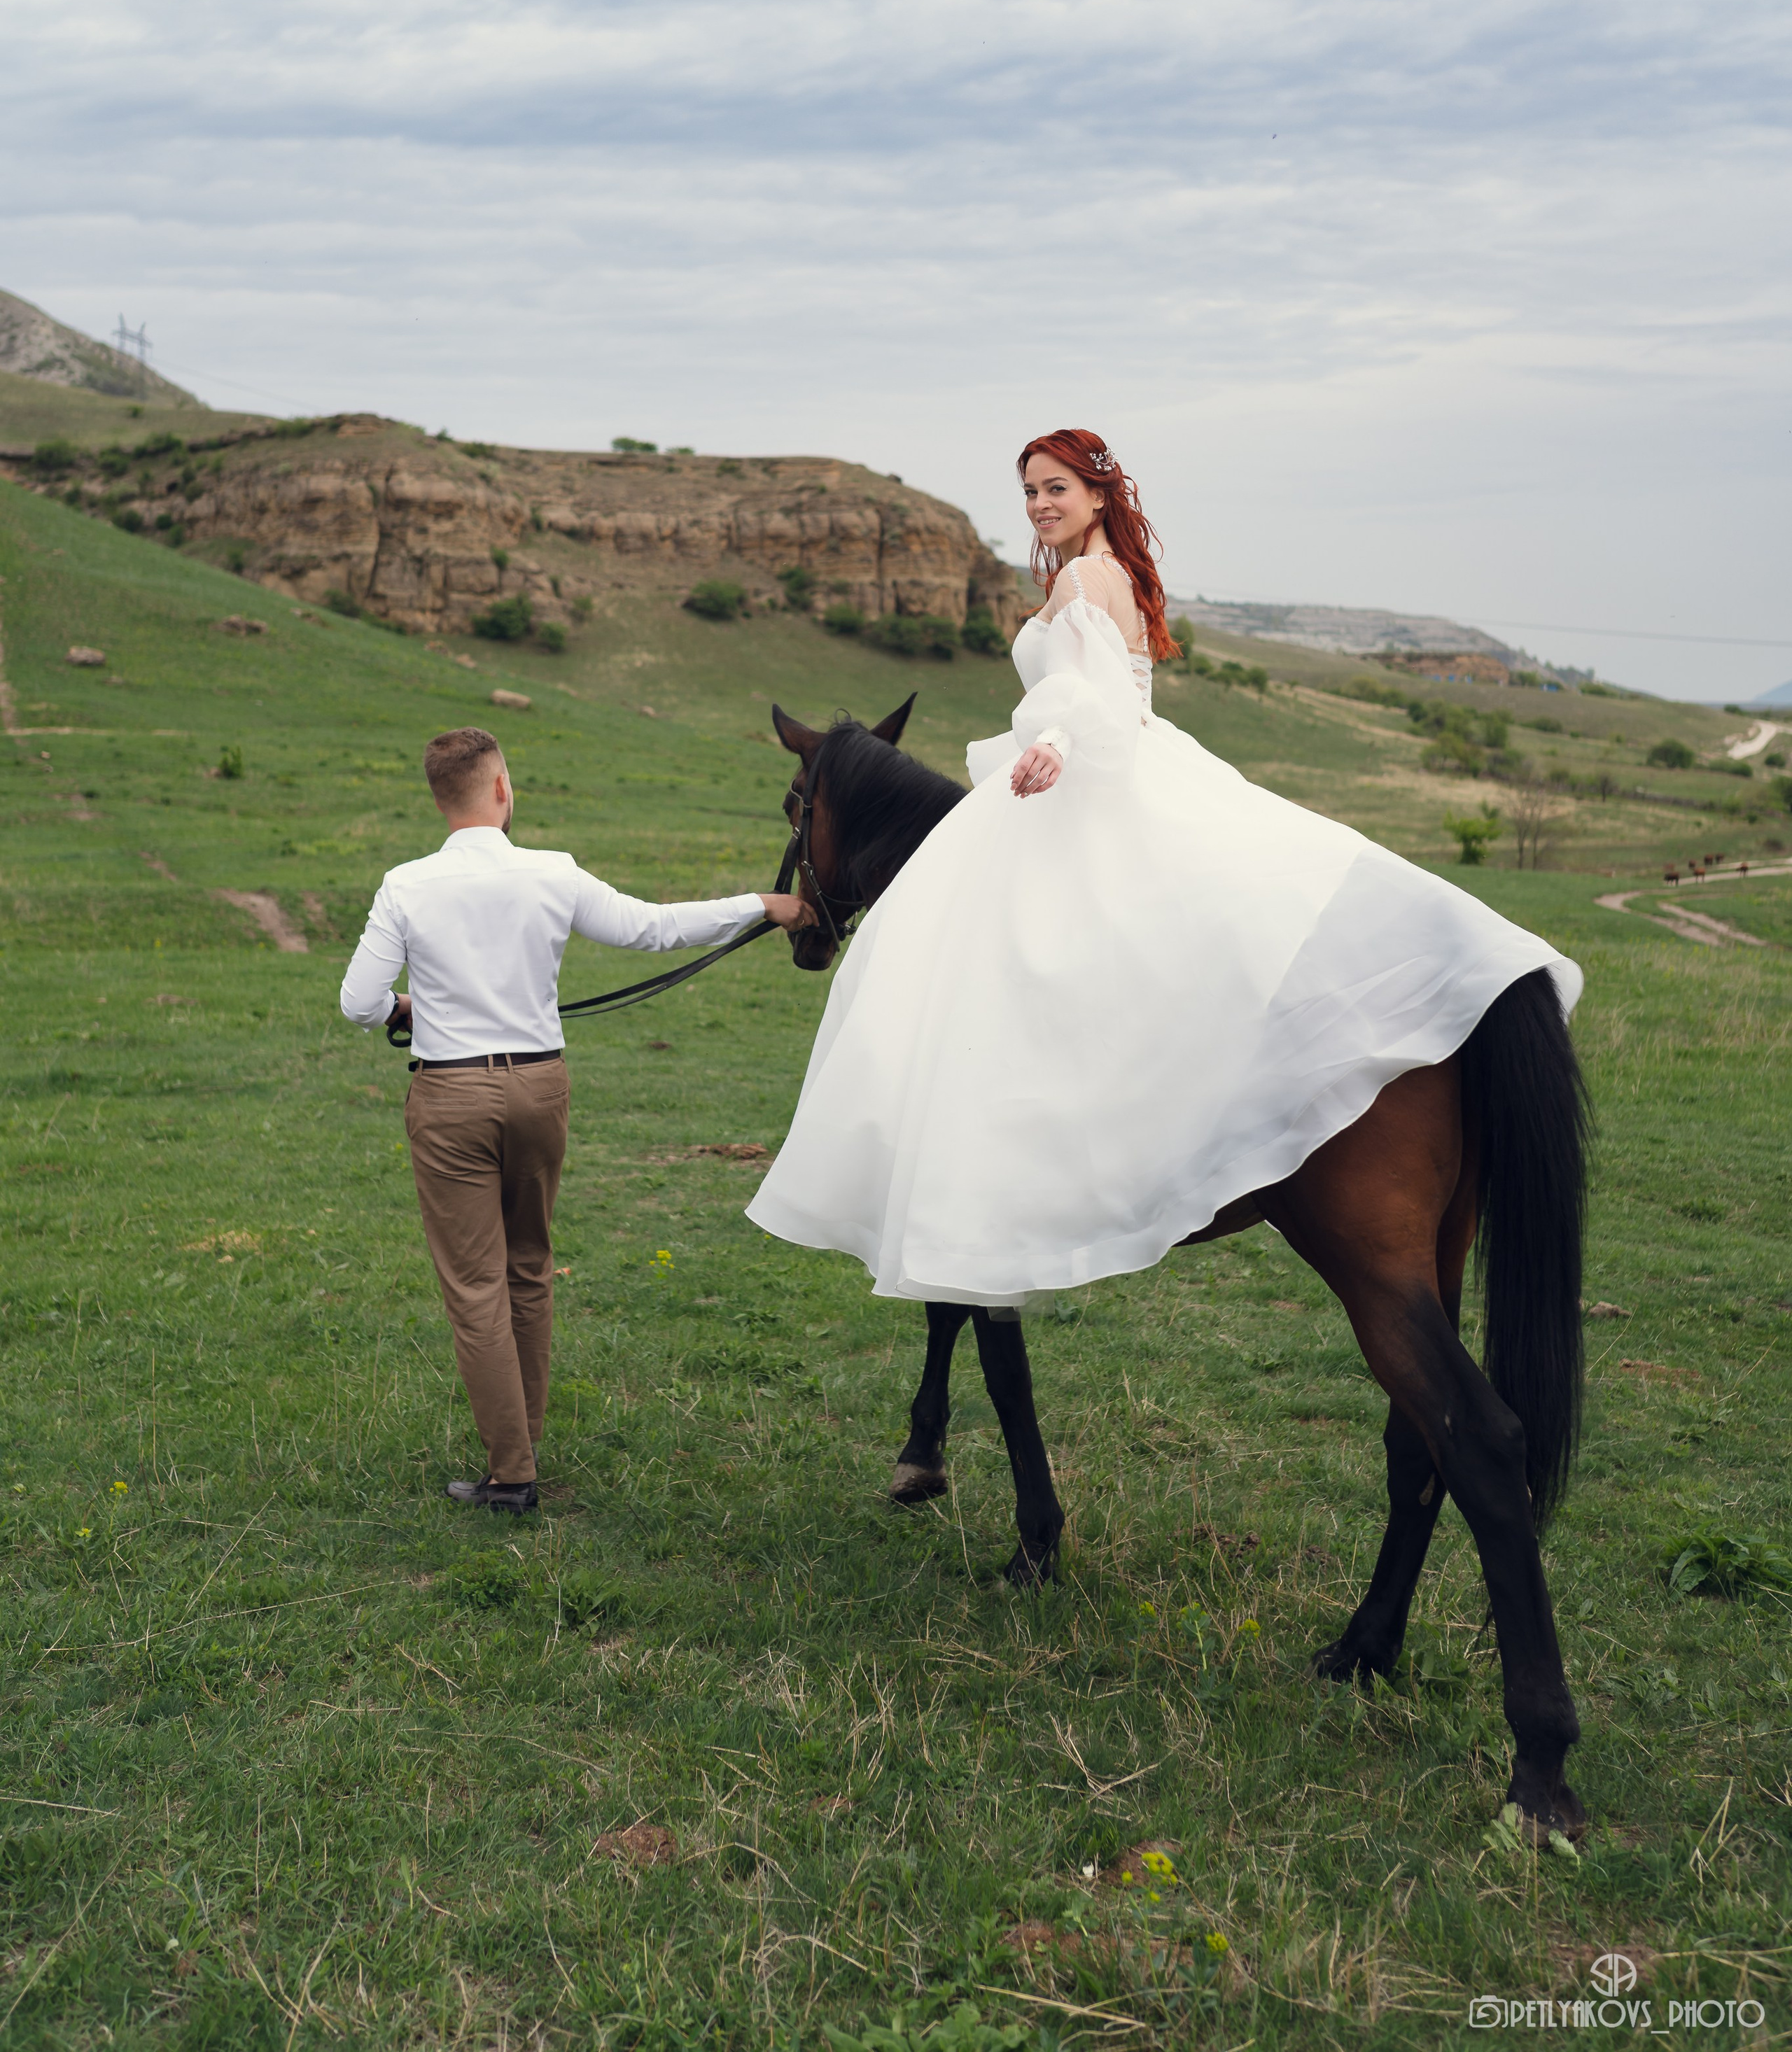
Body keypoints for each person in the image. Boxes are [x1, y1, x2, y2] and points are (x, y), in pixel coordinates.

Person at [748, 428, 1580, 1305]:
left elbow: (1093, 691)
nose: (1039, 504)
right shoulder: (1111, 576)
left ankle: (1033, 1154)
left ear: (1099, 495)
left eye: (1055, 488)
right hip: (1118, 756)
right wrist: (1065, 730)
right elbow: (1108, 683)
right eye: (1029, 491)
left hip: (1090, 763)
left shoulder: (1080, 578)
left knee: (998, 959)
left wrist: (1059, 740)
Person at [341, 726, 810, 1510]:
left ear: (438, 799)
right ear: (500, 788)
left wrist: (403, 1006)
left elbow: (359, 1003)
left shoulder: (405, 885)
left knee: (475, 1286)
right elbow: (650, 927)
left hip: (452, 1096)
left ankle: (511, 1473)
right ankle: (522, 1444)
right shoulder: (551, 872)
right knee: (529, 1268)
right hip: (539, 1090)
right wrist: (763, 904)